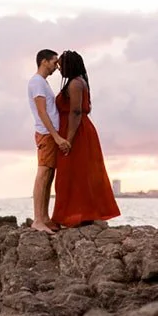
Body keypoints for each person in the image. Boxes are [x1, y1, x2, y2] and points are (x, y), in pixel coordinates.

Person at [51, 50, 121, 228]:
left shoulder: (75, 83)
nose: (59, 68)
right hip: (77, 130)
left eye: (61, 65)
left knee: (73, 173)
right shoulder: (77, 81)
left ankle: (75, 215)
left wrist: (68, 140)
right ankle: (79, 214)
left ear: (69, 65)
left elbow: (75, 112)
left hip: (77, 132)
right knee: (76, 173)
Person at [28, 49, 70, 234]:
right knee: (43, 174)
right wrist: (56, 136)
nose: (56, 67)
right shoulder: (37, 82)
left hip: (50, 134)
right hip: (46, 133)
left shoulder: (42, 82)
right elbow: (42, 111)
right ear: (44, 61)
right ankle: (37, 220)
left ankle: (44, 217)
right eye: (54, 63)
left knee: (49, 175)